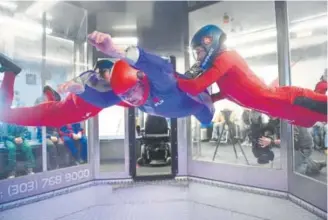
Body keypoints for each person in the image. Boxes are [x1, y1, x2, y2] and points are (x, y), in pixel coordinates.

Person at [175, 24, 327, 128]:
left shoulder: (226, 57)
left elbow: (196, 87)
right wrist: (208, 100)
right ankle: (323, 84)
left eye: (199, 52)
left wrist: (173, 78)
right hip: (287, 111)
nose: (198, 57)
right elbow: (228, 93)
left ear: (210, 44)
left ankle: (323, 84)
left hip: (292, 101)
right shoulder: (222, 70)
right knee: (316, 115)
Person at [88, 31, 215, 123]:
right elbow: (103, 100)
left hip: (202, 104)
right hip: (183, 99)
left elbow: (160, 66)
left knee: (206, 120)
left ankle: (203, 69)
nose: (131, 99)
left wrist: (116, 51)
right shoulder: (136, 99)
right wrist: (80, 87)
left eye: (131, 92)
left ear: (141, 79)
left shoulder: (162, 85)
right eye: (125, 96)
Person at [0, 54, 127, 127]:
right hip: (55, 113)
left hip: (57, 113)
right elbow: (78, 100)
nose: (110, 78)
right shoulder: (89, 83)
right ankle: (11, 73)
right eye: (109, 73)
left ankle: (52, 97)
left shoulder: (110, 93)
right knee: (4, 114)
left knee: (5, 114)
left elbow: (131, 101)